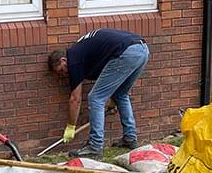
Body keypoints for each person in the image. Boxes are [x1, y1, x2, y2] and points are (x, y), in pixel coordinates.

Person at [48, 28, 150, 159]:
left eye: (61, 70)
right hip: (141, 49)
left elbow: (75, 99)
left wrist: (71, 126)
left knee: (95, 98)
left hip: (126, 52)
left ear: (63, 60)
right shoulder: (81, 51)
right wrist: (112, 102)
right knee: (120, 94)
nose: (63, 74)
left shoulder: (74, 58)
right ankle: (130, 138)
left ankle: (95, 147)